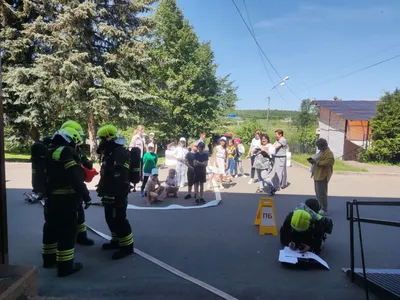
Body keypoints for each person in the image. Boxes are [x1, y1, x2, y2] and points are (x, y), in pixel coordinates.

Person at [42, 127, 91, 277]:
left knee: (50, 229)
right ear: (71, 141)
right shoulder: (67, 152)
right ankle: (65, 267)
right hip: (66, 201)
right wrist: (86, 196)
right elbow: (75, 178)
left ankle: (49, 260)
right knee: (67, 232)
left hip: (51, 200)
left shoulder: (48, 151)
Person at [96, 125, 134, 260]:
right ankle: (116, 241)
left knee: (119, 220)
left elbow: (121, 175)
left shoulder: (119, 153)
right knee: (109, 218)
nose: (100, 142)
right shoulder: (110, 153)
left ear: (109, 138)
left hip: (118, 193)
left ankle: (127, 247)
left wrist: (116, 193)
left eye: (102, 139)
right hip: (109, 191)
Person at [60, 120, 95, 246]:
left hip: (75, 189)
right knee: (68, 220)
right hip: (67, 189)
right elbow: (72, 172)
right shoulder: (64, 150)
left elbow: (81, 158)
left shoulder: (74, 148)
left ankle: (82, 236)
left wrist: (87, 164)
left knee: (80, 213)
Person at [307, 138, 335, 216]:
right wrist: (313, 161)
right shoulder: (321, 152)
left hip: (323, 175)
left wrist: (316, 162)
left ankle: (324, 209)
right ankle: (320, 207)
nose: (318, 148)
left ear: (323, 146)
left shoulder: (329, 153)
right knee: (318, 193)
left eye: (319, 146)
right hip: (317, 174)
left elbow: (328, 163)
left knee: (322, 193)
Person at [129, 125, 146, 191]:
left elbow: (144, 146)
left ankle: (141, 179)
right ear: (139, 130)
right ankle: (136, 181)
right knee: (136, 169)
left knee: (141, 168)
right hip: (136, 156)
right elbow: (131, 146)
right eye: (142, 130)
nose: (143, 131)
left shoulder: (143, 137)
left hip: (142, 155)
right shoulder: (135, 137)